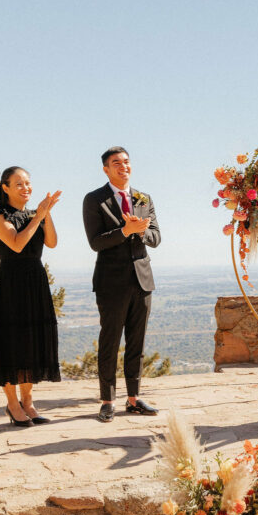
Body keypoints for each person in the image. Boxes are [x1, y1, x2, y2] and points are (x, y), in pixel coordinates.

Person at [82, 147, 161, 422]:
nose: (123, 166)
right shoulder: (94, 199)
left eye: (126, 161)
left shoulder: (143, 198)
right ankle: (107, 400)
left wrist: (141, 232)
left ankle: (134, 398)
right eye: (116, 163)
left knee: (136, 342)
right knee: (110, 341)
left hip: (142, 279)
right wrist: (125, 231)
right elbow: (95, 242)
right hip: (110, 282)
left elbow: (156, 237)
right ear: (106, 168)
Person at [0, 167, 62, 427]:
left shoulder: (34, 215)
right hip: (11, 283)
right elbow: (16, 243)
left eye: (28, 183)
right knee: (10, 342)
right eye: (19, 183)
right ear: (5, 187)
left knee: (32, 341)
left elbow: (51, 243)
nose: (26, 187)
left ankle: (28, 402)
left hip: (35, 281)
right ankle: (13, 404)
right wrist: (38, 216)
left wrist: (45, 215)